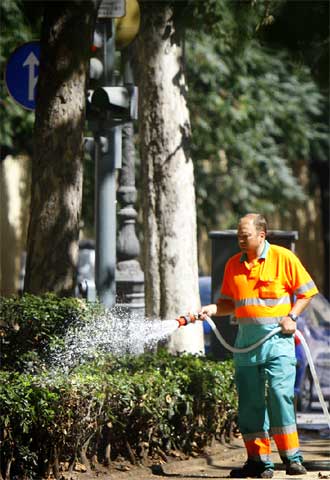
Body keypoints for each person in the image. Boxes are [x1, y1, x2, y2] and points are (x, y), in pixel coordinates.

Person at [198, 213, 318, 479]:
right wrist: (212, 308)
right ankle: (258, 461)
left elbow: (307, 291)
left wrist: (292, 316)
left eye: (245, 235)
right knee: (250, 403)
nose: (240, 239)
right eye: (238, 235)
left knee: (279, 395)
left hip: (278, 343)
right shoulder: (233, 265)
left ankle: (291, 459)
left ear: (261, 235)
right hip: (246, 345)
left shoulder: (283, 258)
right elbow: (228, 302)